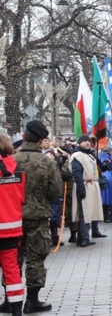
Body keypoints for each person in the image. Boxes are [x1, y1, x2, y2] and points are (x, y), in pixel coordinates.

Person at [13, 121, 63, 313]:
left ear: (24, 136)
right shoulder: (47, 162)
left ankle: (11, 298)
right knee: (35, 258)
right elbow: (55, 191)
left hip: (13, 217)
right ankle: (32, 300)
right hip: (38, 216)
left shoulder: (11, 160)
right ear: (42, 140)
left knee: (13, 258)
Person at [0, 135, 26, 316]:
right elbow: (22, 197)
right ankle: (16, 310)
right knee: (12, 271)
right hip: (12, 228)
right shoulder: (18, 168)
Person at [68, 134, 105, 247]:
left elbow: (97, 169)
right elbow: (76, 172)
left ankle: (83, 237)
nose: (87, 143)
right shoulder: (78, 155)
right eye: (84, 141)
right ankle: (84, 238)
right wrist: (80, 186)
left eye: (88, 141)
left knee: (89, 211)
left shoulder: (90, 155)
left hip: (92, 185)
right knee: (84, 211)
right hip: (85, 184)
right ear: (79, 143)